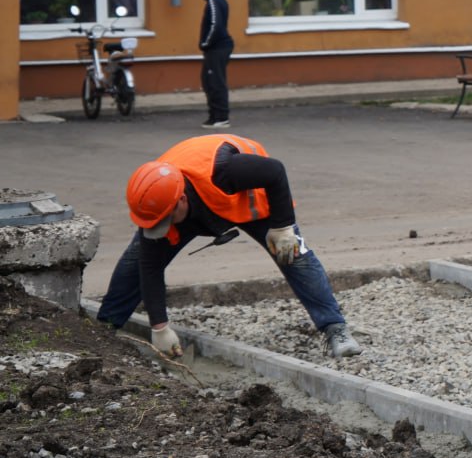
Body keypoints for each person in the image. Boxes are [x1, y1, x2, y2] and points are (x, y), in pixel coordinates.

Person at [97, 133, 362, 359]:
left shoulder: (226, 171)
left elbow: (275, 171)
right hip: (194, 203)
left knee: (294, 257)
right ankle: (104, 328)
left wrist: (283, 227)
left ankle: (335, 328)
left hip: (248, 201)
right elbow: (150, 268)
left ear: (180, 200)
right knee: (138, 259)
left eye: (165, 221)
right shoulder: (157, 199)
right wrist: (159, 327)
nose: (162, 228)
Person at [197, 0, 233, 129]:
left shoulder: (214, 1)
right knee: (208, 80)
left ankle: (220, 117)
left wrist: (205, 43)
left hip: (217, 47)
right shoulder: (218, 0)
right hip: (218, 47)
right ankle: (214, 116)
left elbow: (215, 25)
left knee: (215, 82)